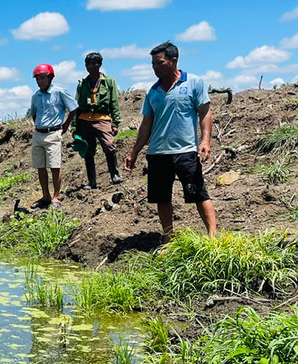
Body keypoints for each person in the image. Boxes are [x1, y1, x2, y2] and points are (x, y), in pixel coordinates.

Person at [123, 41, 217, 242]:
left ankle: (213, 235)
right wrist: (134, 152)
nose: (155, 68)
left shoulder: (193, 83)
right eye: (153, 64)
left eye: (160, 63)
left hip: (185, 151)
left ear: (174, 61)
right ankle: (168, 237)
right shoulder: (153, 92)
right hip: (157, 152)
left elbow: (205, 113)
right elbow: (146, 125)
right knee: (162, 198)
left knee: (198, 192)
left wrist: (206, 141)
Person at [71, 52, 123, 189]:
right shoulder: (82, 84)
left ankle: (115, 175)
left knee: (109, 145)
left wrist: (116, 123)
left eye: (95, 63)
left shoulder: (109, 82)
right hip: (84, 119)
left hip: (102, 119)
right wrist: (74, 127)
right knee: (88, 150)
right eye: (89, 64)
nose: (92, 66)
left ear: (100, 64)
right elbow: (77, 105)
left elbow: (114, 103)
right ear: (85, 66)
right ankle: (92, 181)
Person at [29, 64, 78, 208]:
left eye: (42, 78)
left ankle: (56, 197)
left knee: (54, 166)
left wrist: (66, 125)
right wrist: (38, 125)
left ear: (50, 77)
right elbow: (33, 113)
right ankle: (45, 196)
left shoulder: (59, 92)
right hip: (38, 134)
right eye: (37, 79)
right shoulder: (36, 96)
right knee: (40, 166)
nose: (40, 81)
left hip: (53, 133)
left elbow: (73, 108)